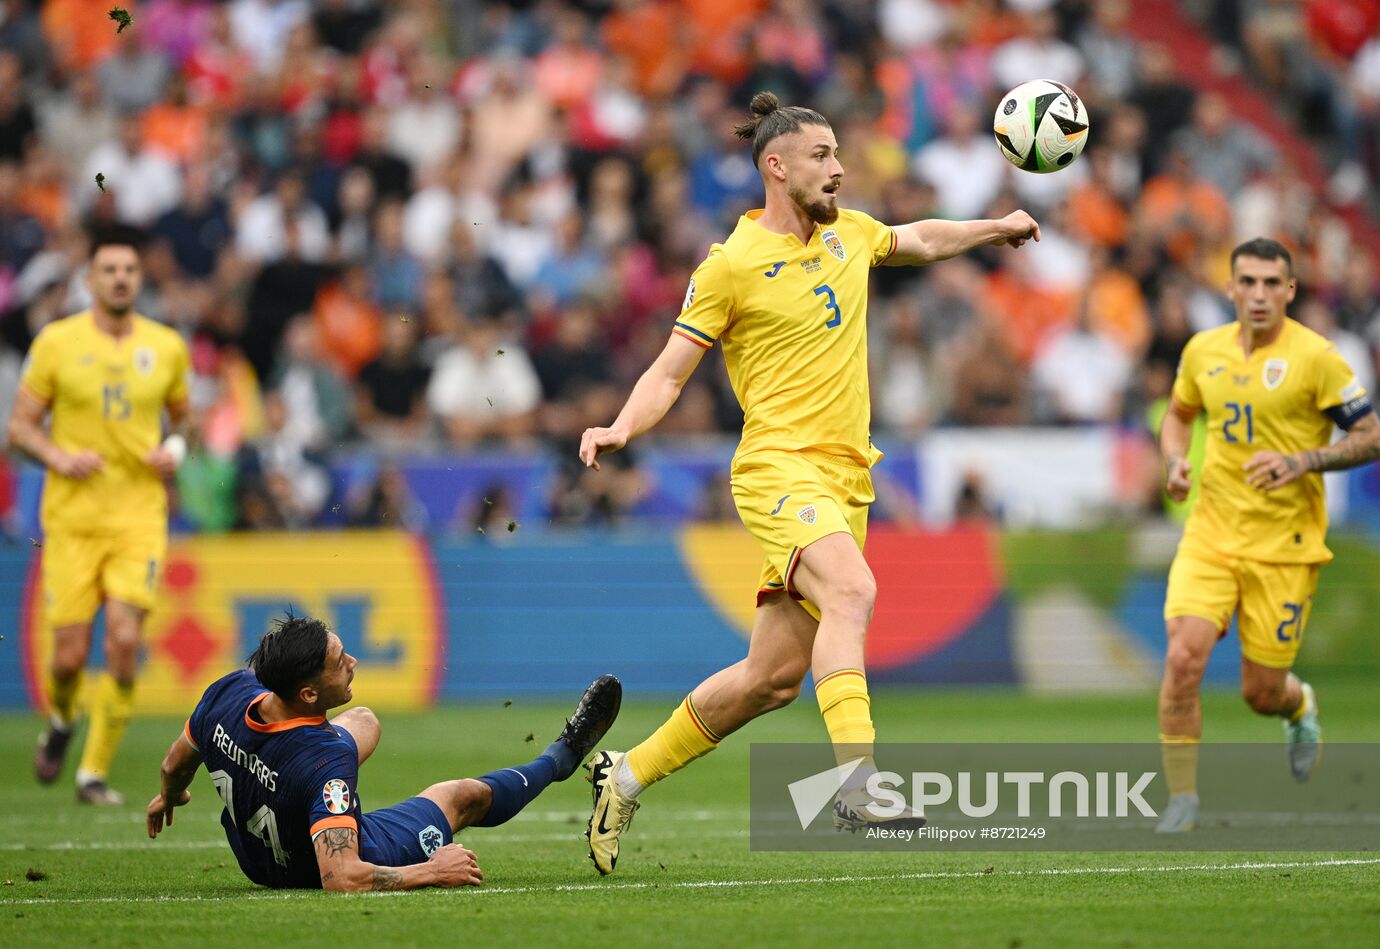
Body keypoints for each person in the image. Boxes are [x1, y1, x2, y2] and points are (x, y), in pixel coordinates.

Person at [576, 91, 1040, 874]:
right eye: (823, 157)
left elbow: (921, 238)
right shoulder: (729, 265)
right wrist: (623, 424)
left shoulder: (851, 233)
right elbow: (668, 369)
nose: (840, 169)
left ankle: (624, 776)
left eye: (838, 155)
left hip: (843, 480)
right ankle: (859, 785)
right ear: (776, 165)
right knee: (854, 594)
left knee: (771, 679)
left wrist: (993, 229)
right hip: (776, 469)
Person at [1155, 238, 1380, 833]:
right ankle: (1182, 799)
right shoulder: (1202, 351)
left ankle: (1298, 704)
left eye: (1270, 284)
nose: (1258, 295)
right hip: (1210, 533)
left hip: (1284, 546)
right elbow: (1179, 417)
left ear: (1290, 290)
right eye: (1247, 282)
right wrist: (1174, 462)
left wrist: (1304, 461)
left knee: (1260, 693)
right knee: (1183, 658)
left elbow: (1373, 439)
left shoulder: (1318, 358)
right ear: (1230, 287)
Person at [146, 612, 622, 891]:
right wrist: (430, 871)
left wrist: (169, 795)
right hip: (305, 867)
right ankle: (558, 760)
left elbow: (175, 763)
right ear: (309, 694)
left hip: (254, 859)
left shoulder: (228, 692)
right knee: (458, 797)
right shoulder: (325, 764)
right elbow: (342, 877)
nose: (352, 663)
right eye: (339, 662)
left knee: (365, 720)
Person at [9, 226, 192, 805]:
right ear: (89, 280)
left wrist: (176, 452)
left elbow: (184, 420)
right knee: (66, 658)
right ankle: (62, 723)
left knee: (120, 640)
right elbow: (18, 427)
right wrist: (58, 456)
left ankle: (92, 773)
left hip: (139, 515)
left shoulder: (166, 346)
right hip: (71, 520)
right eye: (109, 269)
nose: (119, 278)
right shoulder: (57, 343)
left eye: (129, 270)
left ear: (140, 279)